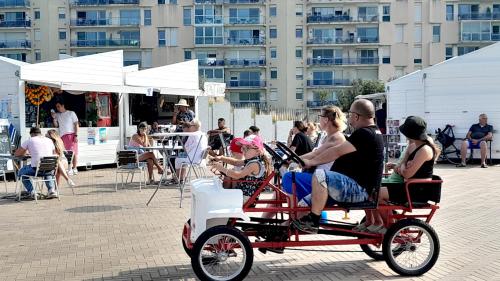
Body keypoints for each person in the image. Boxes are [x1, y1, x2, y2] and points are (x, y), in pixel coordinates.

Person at [291, 99, 384, 234]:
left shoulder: (364, 133)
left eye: (350, 114)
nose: (348, 118)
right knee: (320, 178)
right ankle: (307, 216)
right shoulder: (374, 132)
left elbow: (336, 151)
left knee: (320, 175)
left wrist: (311, 162)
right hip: (365, 189)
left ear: (357, 116)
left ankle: (314, 219)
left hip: (359, 191)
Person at [360, 116, 440, 234]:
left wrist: (403, 167)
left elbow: (407, 174)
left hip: (416, 190)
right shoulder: (413, 145)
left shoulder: (425, 150)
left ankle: (389, 226)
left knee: (376, 194)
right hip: (407, 186)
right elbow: (401, 166)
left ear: (411, 133)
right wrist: (404, 166)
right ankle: (379, 222)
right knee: (370, 189)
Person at [282, 106, 347, 206]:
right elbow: (314, 154)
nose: (318, 120)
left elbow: (316, 154)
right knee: (286, 184)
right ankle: (307, 215)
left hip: (326, 182)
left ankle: (294, 217)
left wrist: (294, 160)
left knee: (289, 177)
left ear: (326, 120)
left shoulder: (336, 137)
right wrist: (294, 160)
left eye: (320, 117)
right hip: (320, 177)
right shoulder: (326, 136)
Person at [211, 135, 271, 203]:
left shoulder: (254, 164)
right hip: (242, 194)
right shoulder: (253, 160)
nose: (243, 151)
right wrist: (221, 158)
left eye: (247, 148)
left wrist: (222, 168)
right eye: (243, 148)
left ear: (257, 151)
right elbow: (236, 162)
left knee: (215, 198)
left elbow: (238, 175)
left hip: (245, 197)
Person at [15, 127, 58, 199]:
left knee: (21, 172)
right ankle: (51, 190)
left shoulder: (30, 140)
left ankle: (32, 192)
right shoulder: (49, 140)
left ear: (32, 134)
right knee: (46, 170)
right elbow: (54, 154)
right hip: (50, 168)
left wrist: (26, 153)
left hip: (36, 169)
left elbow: (17, 154)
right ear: (40, 133)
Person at [51, 99, 79, 175]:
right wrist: (54, 118)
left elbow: (76, 124)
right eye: (56, 107)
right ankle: (70, 168)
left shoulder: (71, 113)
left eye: (59, 106)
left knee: (73, 152)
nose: (57, 108)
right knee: (66, 153)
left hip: (71, 134)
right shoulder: (58, 115)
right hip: (62, 136)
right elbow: (56, 125)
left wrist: (76, 135)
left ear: (63, 105)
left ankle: (74, 168)